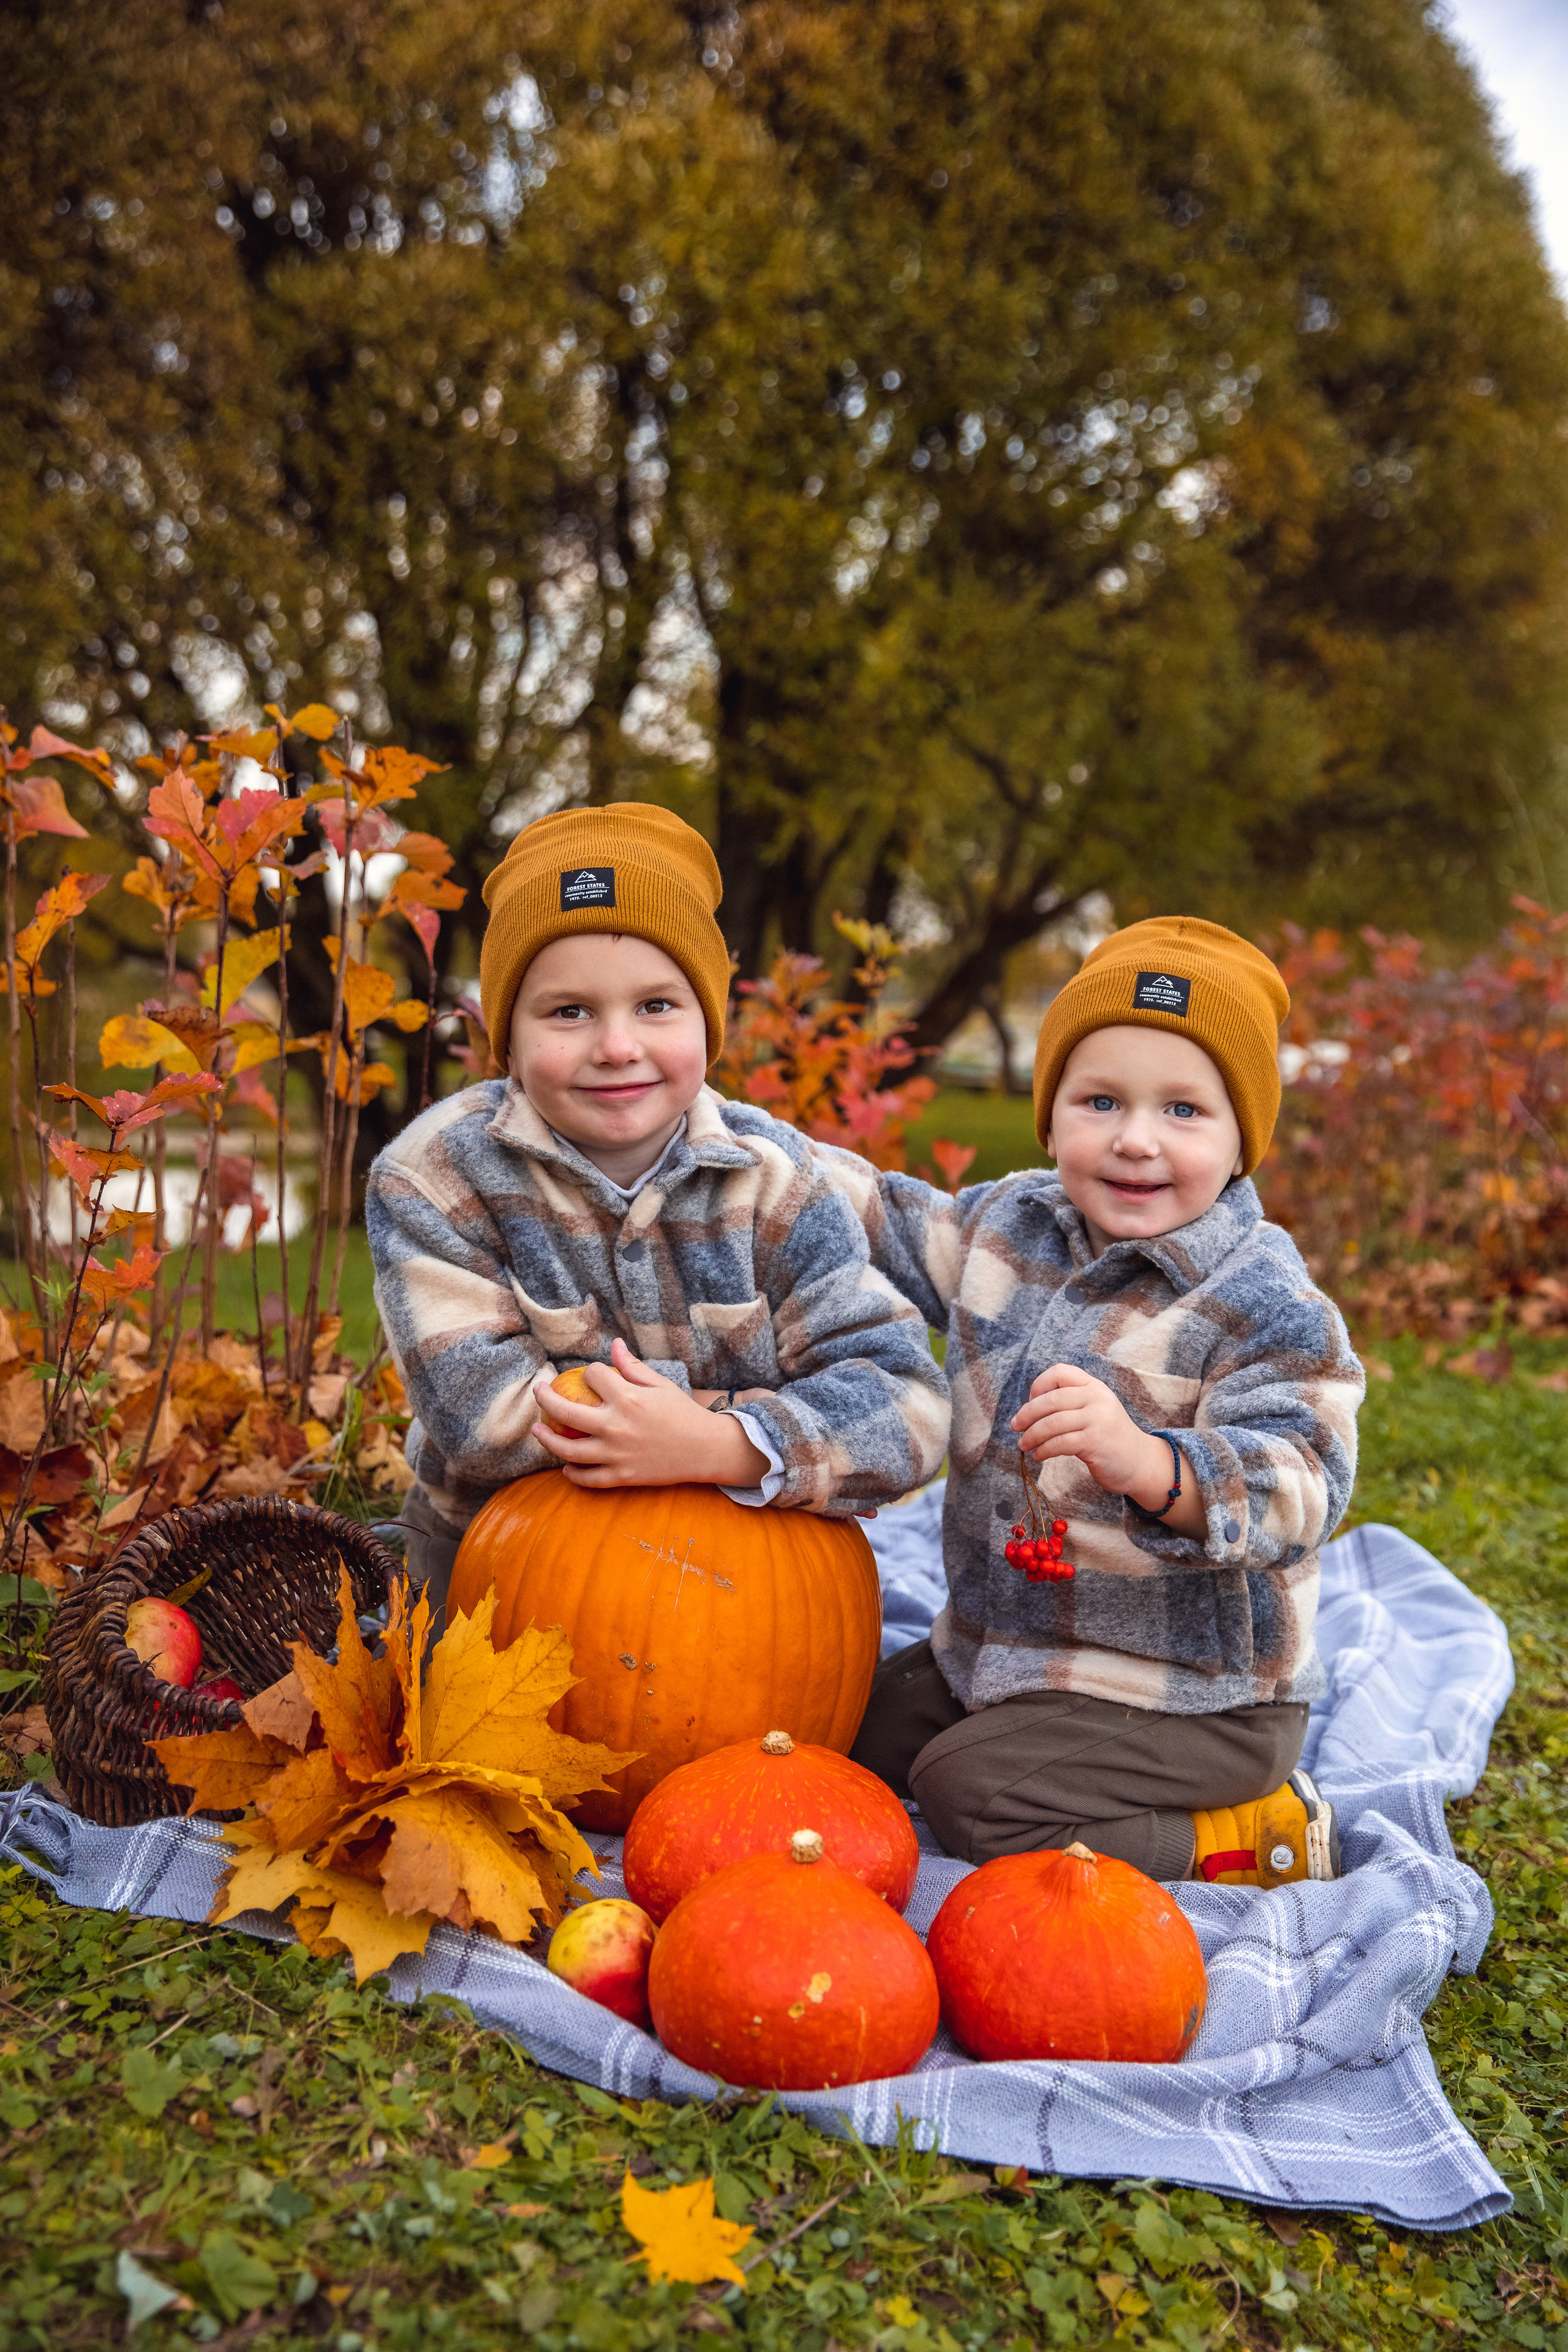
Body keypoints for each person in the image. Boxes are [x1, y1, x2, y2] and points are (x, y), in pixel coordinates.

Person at [823, 918, 1364, 1887]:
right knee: (842, 1727)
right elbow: (884, 1217)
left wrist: (1153, 1465)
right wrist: (728, 1134)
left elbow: (1305, 1486)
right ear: (1052, 1110)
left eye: (1185, 1111)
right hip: (1003, 1652)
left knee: (971, 1796)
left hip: (1196, 1699)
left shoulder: (1264, 1303)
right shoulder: (1013, 1224)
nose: (1135, 1140)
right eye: (1101, 1100)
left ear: (1245, 1139)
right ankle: (992, 1740)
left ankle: (1245, 1835)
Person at [366, 803, 949, 1625]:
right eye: (568, 1011)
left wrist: (719, 1444)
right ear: (506, 1036)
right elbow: (481, 1418)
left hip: (743, 1574)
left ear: (708, 1022)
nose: (616, 1046)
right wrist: (701, 1413)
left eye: (656, 1007)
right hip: (505, 1567)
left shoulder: (775, 1183)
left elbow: (910, 1406)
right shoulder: (434, 1178)